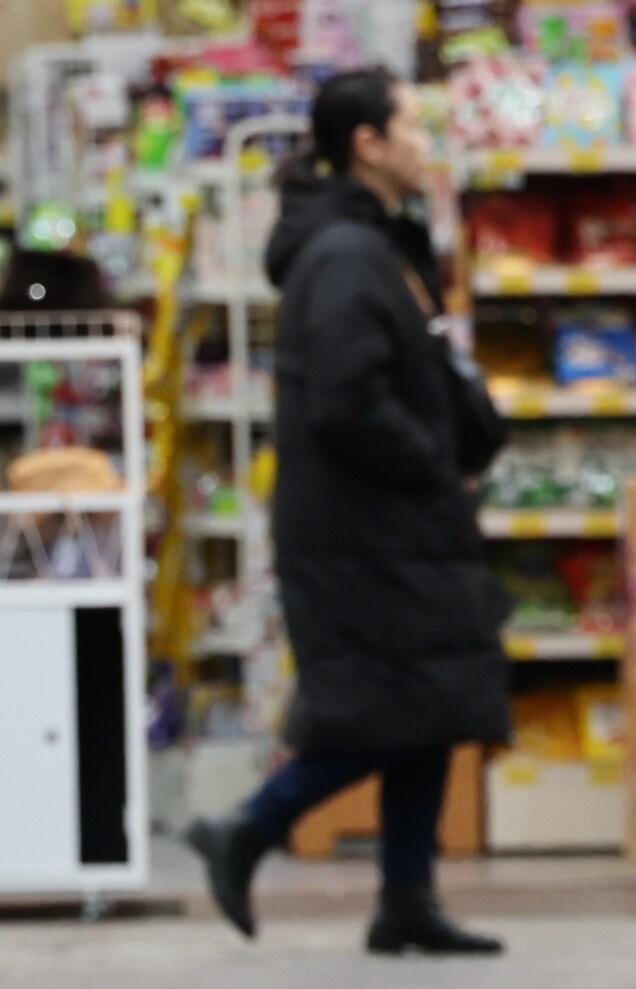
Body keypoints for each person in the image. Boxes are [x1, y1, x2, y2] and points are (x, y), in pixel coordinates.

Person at [186, 67, 511, 956]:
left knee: (431, 699)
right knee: (395, 702)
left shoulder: (372, 242)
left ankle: (406, 898)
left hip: (389, 523)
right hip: (366, 528)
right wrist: (436, 466)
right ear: (366, 143)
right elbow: (345, 401)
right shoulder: (343, 256)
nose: (425, 141)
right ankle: (249, 825)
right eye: (411, 125)